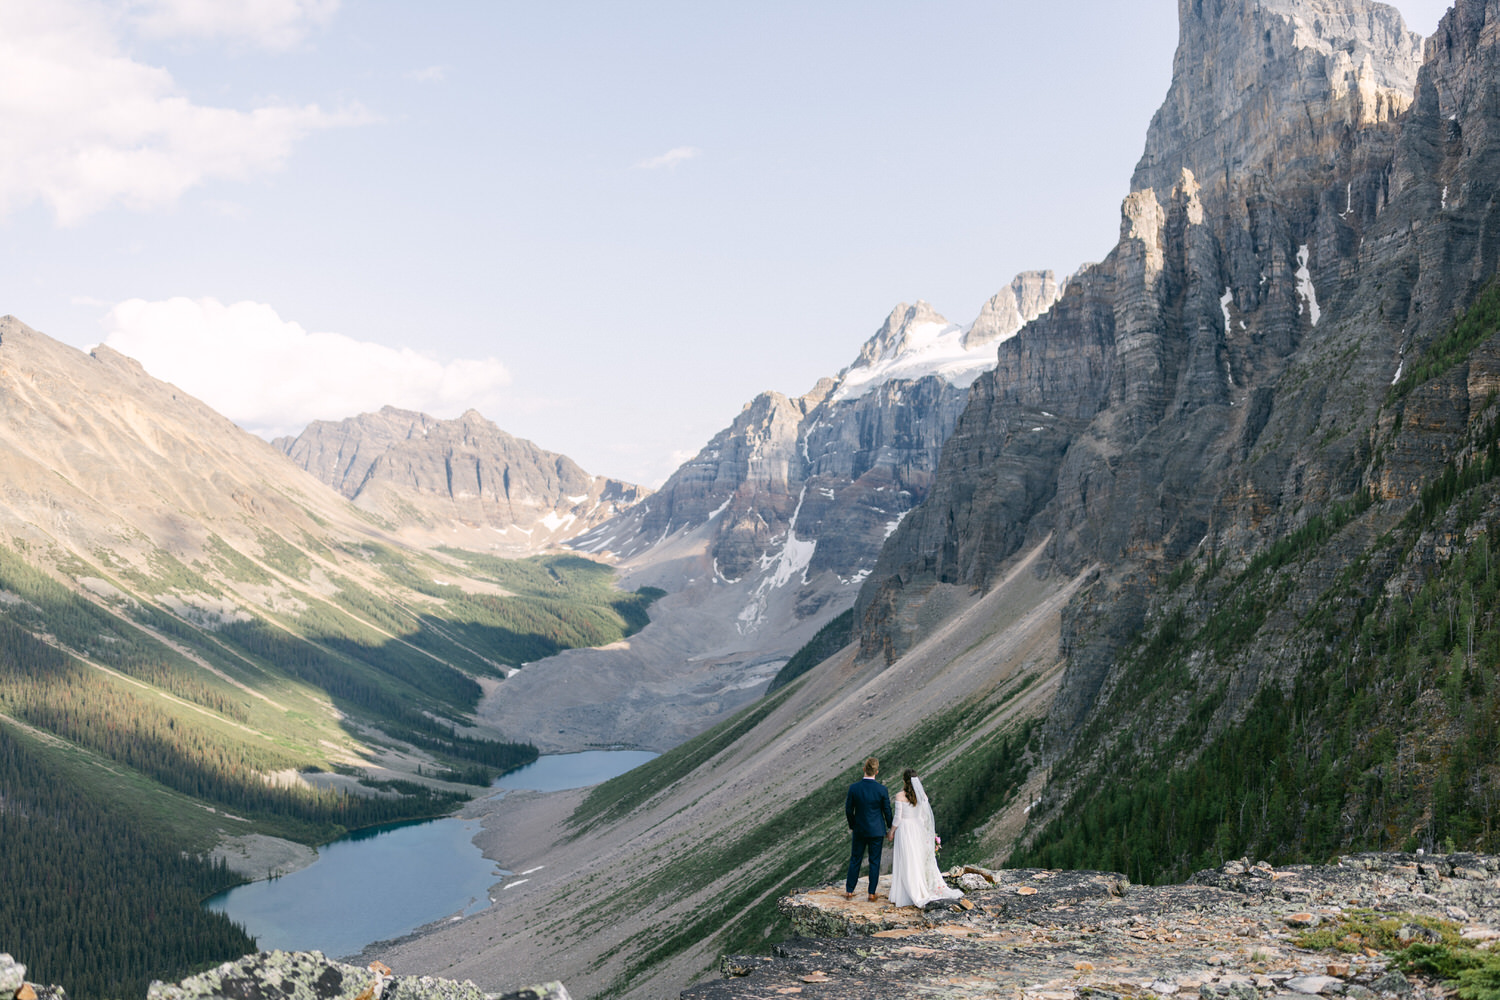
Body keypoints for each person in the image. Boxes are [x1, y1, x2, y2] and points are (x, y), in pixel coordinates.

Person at [888, 768, 962, 908]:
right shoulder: (922, 796)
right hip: (917, 828)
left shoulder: (899, 796)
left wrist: (891, 831)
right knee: (916, 858)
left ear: (904, 781)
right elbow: (923, 817)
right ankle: (919, 886)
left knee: (906, 859)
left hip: (904, 829)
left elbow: (897, 818)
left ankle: (906, 891)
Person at [844, 756, 893, 901]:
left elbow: (848, 810)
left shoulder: (854, 788)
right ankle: (871, 893)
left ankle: (849, 891)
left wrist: (853, 825)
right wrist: (890, 827)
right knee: (875, 861)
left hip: (859, 829)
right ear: (876, 772)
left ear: (864, 769)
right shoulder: (882, 790)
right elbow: (887, 811)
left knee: (855, 859)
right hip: (877, 830)